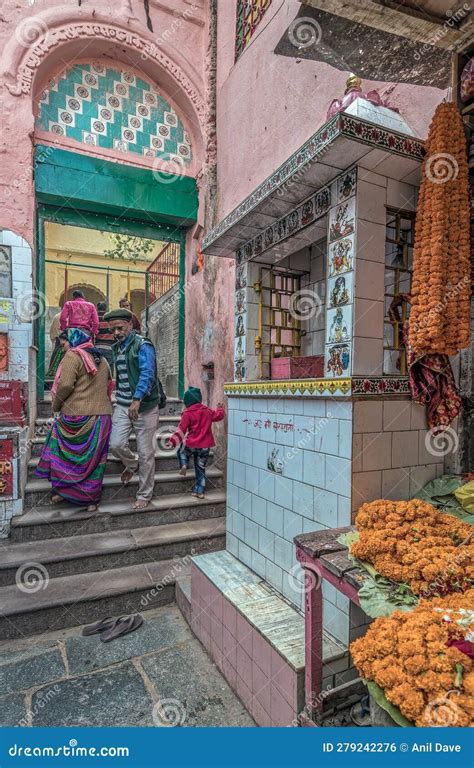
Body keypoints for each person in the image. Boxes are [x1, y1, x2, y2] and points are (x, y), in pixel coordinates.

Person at [36, 328, 113, 512]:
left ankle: (61, 491)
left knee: (61, 453)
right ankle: (91, 501)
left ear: (72, 342)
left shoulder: (73, 356)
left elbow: (65, 386)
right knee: (93, 461)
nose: (62, 347)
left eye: (63, 343)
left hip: (75, 415)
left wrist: (55, 406)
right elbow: (109, 384)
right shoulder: (101, 359)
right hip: (101, 417)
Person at [105, 307, 159, 510]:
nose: (116, 333)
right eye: (113, 330)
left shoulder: (143, 345)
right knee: (116, 443)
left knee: (146, 453)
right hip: (122, 403)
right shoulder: (116, 347)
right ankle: (131, 464)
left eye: (119, 328)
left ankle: (144, 494)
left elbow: (147, 373)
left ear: (130, 324)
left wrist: (137, 398)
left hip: (144, 405)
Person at [167, 387, 224, 499]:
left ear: (187, 402)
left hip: (192, 443)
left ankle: (184, 464)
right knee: (200, 468)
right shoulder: (207, 411)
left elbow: (181, 430)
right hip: (205, 447)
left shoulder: (187, 413)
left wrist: (173, 441)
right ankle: (200, 491)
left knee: (181, 451)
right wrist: (220, 408)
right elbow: (218, 416)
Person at [95, 302, 115, 371]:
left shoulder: (95, 318)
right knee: (109, 369)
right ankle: (109, 381)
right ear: (105, 308)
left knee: (98, 369)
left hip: (97, 347)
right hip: (109, 347)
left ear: (97, 308)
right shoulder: (110, 319)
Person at [46, 310, 63, 379]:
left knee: (55, 356)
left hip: (57, 339)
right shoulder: (66, 316)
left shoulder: (57, 316)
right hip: (62, 339)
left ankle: (52, 373)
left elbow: (52, 331)